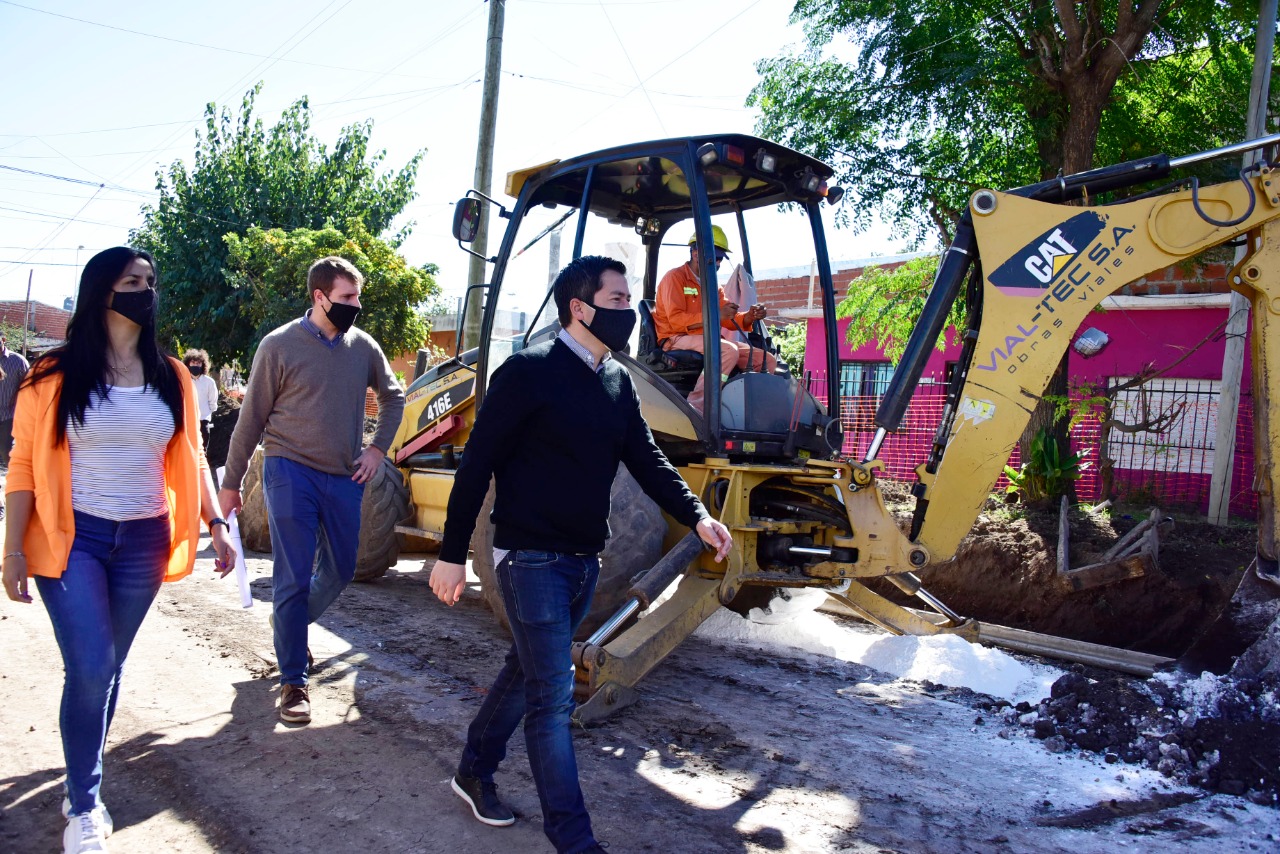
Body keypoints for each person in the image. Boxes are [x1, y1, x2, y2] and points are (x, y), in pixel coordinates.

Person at [429, 255, 733, 854]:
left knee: (526, 670)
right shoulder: (528, 372)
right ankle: (575, 840)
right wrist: (449, 554)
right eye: (618, 300)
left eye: (630, 300)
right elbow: (476, 465)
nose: (631, 311)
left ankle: (473, 769)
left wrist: (698, 517)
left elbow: (647, 460)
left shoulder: (617, 381)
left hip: (583, 562)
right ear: (580, 307)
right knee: (552, 696)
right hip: (529, 558)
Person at [1, 247, 237, 854]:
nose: (145, 290)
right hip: (70, 536)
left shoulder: (172, 376)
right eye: (132, 281)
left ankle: (81, 780)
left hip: (143, 539)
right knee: (90, 667)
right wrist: (12, 550)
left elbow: (191, 458)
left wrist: (214, 522)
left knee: (109, 667)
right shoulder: (50, 375)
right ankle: (84, 807)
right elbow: (23, 465)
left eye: (151, 281)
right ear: (102, 291)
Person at [218, 256, 404, 725]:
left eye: (357, 297)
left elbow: (394, 395)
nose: (355, 306)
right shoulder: (278, 345)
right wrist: (231, 484)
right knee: (293, 576)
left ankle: (288, 622)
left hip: (343, 475)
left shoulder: (363, 347)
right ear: (320, 297)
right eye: (346, 298)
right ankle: (293, 681)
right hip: (289, 470)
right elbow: (250, 420)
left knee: (341, 569)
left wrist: (377, 449)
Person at [653, 225, 777, 413]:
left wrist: (749, 316)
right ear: (695, 253)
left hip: (706, 338)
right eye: (715, 258)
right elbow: (676, 321)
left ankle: (740, 410)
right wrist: (716, 316)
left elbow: (728, 318)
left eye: (720, 259)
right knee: (727, 351)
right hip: (676, 338)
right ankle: (696, 409)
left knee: (766, 360)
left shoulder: (713, 286)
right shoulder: (674, 278)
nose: (718, 263)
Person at [0, 333, 31, 466]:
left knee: (8, 453)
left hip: (9, 416)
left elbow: (29, 388)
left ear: (3, 340)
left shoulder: (18, 361)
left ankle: (14, 485)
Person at [182, 348, 219, 454]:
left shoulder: (209, 382)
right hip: (187, 421)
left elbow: (213, 402)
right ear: (188, 363)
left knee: (202, 451)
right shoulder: (183, 381)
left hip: (203, 421)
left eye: (198, 363)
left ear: (203, 365)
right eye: (193, 362)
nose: (195, 365)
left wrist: (207, 414)